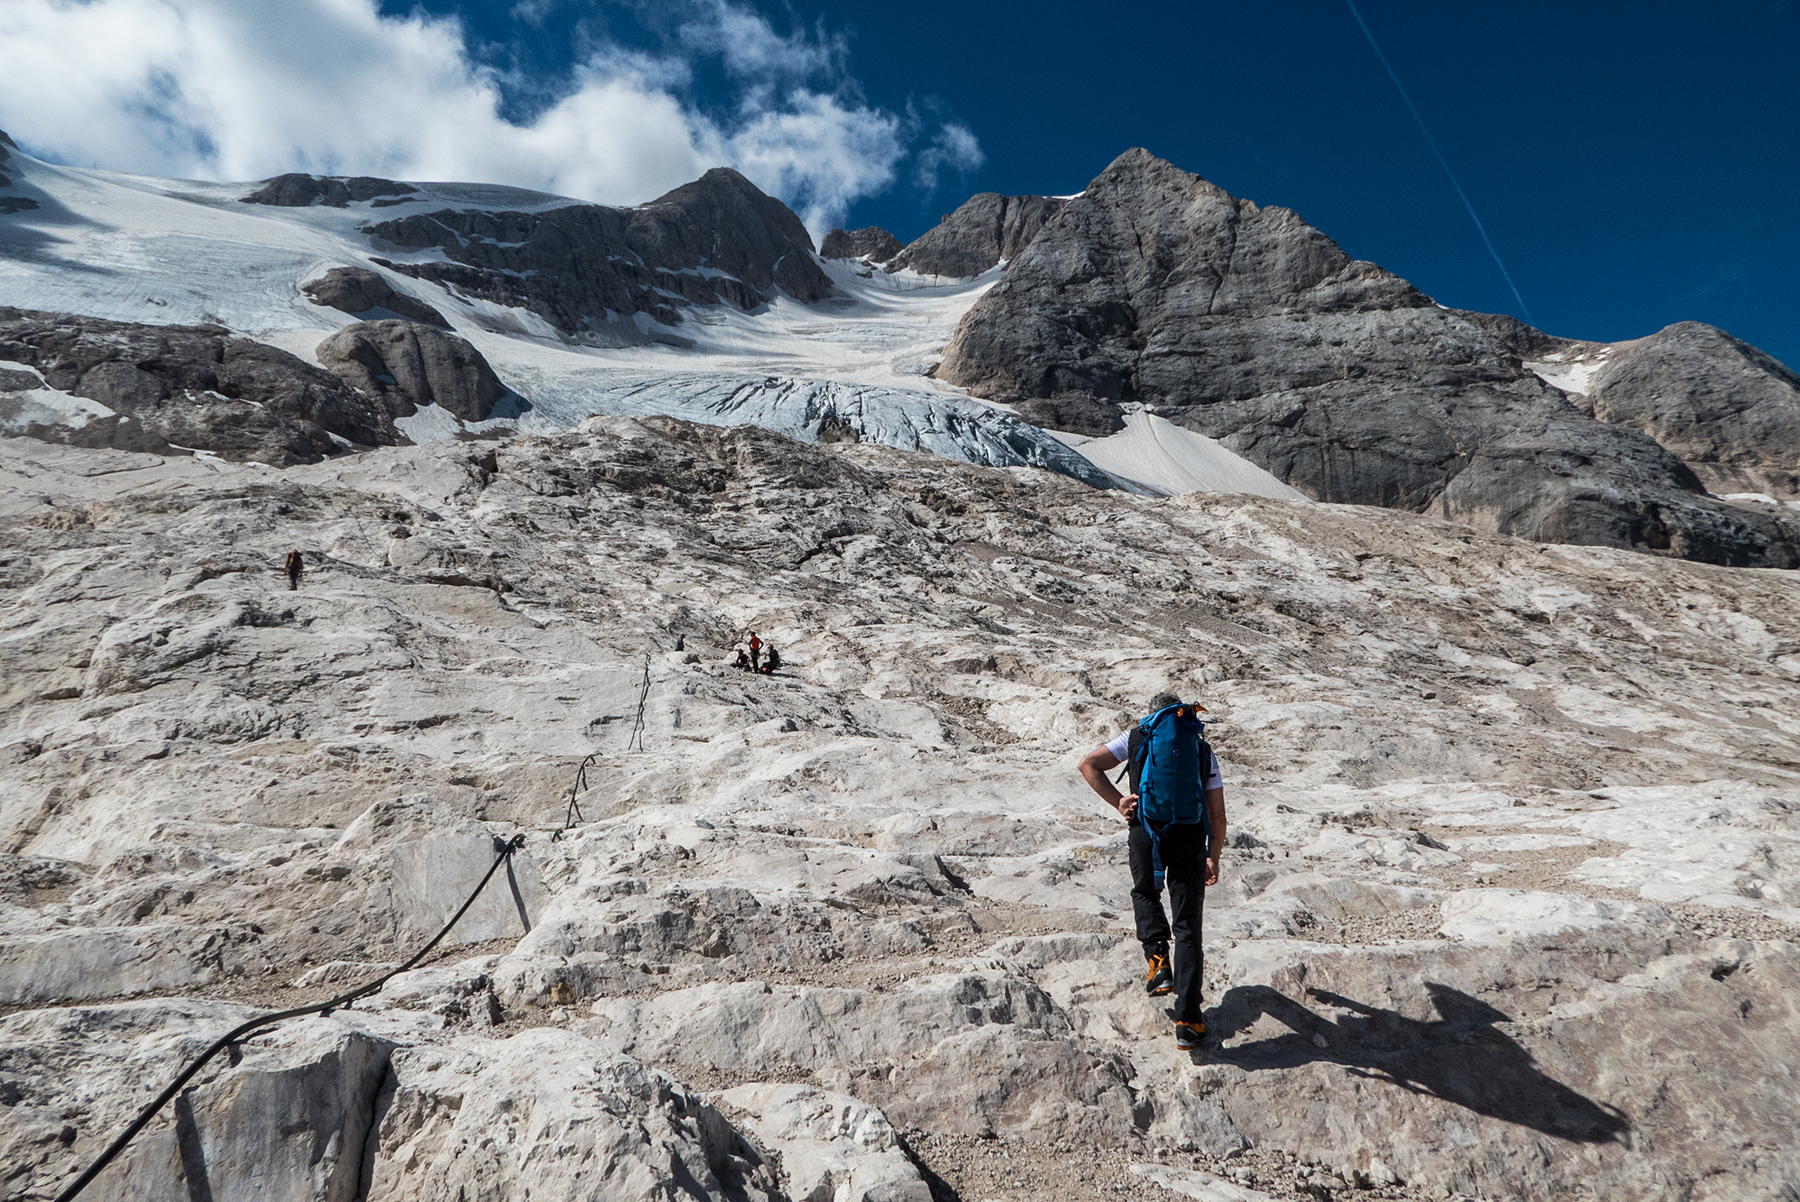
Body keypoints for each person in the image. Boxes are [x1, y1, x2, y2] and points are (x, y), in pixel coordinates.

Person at [1077, 692, 1225, 1052]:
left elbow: (1088, 765)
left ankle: (1157, 961)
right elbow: (1218, 814)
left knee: (1145, 892)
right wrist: (1213, 855)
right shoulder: (1201, 749)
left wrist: (1119, 802)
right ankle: (1188, 1020)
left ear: (1152, 715)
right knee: (1189, 926)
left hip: (1145, 830)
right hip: (1189, 837)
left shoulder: (1137, 737)